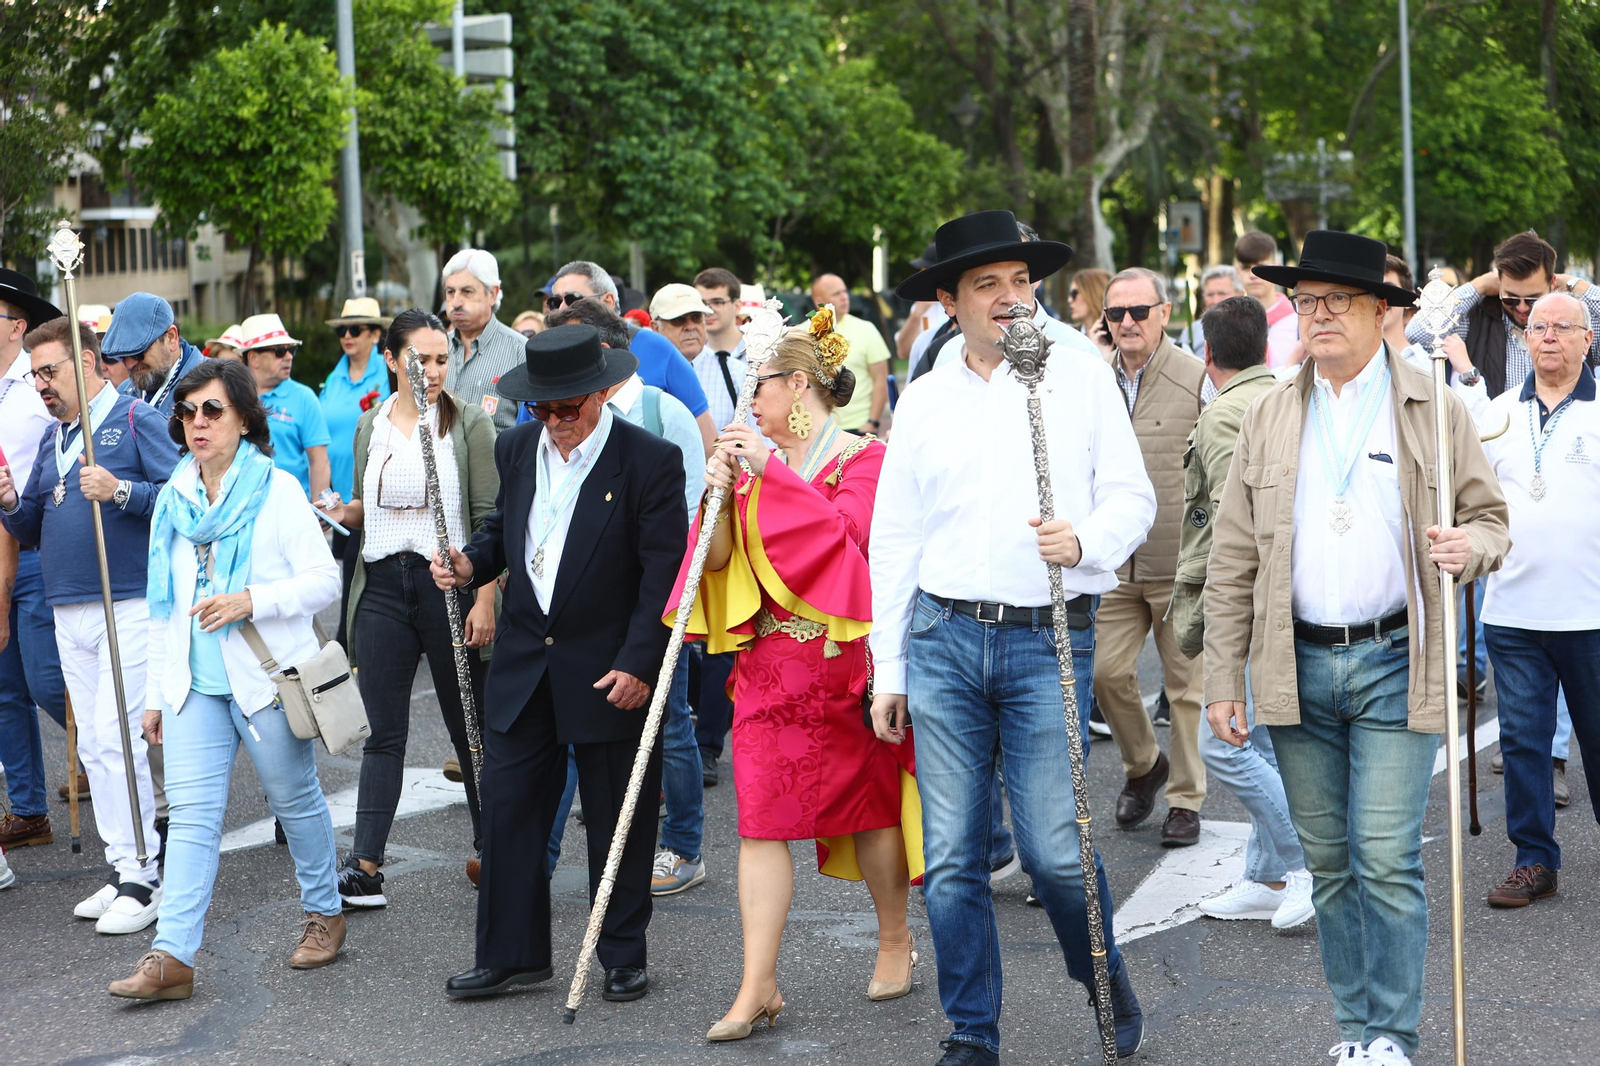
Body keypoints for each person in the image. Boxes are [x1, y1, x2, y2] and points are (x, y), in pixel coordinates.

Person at [1202, 229, 1510, 1066]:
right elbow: (1232, 555)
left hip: (1393, 661)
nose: (1321, 316)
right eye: (1307, 302)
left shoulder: (1432, 403)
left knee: (1384, 858)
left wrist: (1468, 548)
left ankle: (1396, 1038)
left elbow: (1490, 522)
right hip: (1293, 664)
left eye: (1340, 301)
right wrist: (1220, 677)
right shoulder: (1269, 410)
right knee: (1331, 865)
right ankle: (1354, 1031)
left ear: (1383, 312)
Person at [872, 209, 1156, 1065]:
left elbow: (1132, 497)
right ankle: (971, 1033)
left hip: (1049, 642)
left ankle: (1102, 976)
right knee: (954, 861)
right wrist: (888, 666)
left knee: (1057, 857)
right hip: (944, 639)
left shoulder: (1075, 377)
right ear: (949, 302)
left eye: (1019, 283)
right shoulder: (922, 400)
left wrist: (1087, 543)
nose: (1008, 298)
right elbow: (896, 539)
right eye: (987, 285)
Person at [670, 306, 917, 1041]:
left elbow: (846, 543)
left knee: (869, 810)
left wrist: (767, 475)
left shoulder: (864, 459)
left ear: (800, 384)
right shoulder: (751, 462)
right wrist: (716, 494)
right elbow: (713, 565)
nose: (751, 402)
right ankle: (758, 983)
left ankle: (896, 937)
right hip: (771, 667)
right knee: (760, 825)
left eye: (762, 385)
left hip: (847, 664)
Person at [430, 325, 687, 1003]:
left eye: (566, 408)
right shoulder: (517, 448)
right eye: (541, 408)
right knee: (509, 814)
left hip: (610, 668)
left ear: (599, 391)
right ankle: (510, 955)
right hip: (524, 660)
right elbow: (500, 533)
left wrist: (640, 662)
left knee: (615, 820)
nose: (553, 422)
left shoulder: (648, 460)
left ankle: (622, 954)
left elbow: (664, 575)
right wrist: (469, 564)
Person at [107, 357, 345, 1000]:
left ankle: (325, 913)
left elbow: (325, 579)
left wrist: (252, 600)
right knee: (189, 818)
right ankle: (172, 957)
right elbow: (162, 608)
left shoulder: (278, 489)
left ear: (243, 417)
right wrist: (156, 695)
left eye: (212, 410)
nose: (197, 423)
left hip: (265, 679)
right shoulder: (175, 499)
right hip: (193, 686)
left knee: (293, 799)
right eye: (187, 412)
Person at [313, 310, 499, 908]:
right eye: (421, 359)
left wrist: (485, 596)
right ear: (392, 360)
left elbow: (490, 520)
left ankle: (496, 849)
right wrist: (344, 513)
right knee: (382, 733)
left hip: (450, 586)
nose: (435, 370)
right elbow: (375, 507)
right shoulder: (371, 425)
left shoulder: (468, 424)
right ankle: (366, 864)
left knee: (469, 726)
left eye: (443, 359)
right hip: (383, 590)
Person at [0, 316, 179, 932]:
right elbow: (33, 530)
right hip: (67, 604)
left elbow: (182, 497)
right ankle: (121, 862)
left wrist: (121, 490)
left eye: (49, 372)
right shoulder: (55, 439)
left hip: (123, 601)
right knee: (95, 747)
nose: (41, 385)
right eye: (34, 375)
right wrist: (9, 504)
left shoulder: (135, 419)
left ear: (88, 363)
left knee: (114, 736)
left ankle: (144, 876)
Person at [521, 298, 707, 892]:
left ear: (602, 359)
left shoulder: (662, 412)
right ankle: (542, 859)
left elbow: (692, 512)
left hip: (651, 605)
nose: (556, 406)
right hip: (578, 613)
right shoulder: (547, 430)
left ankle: (682, 846)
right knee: (571, 740)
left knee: (670, 723)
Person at [1168, 295, 1313, 928]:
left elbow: (1237, 517)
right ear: (1263, 347)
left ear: (1207, 355)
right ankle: (1267, 874)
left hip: (1247, 599)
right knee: (1265, 749)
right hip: (1272, 594)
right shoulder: (1278, 391)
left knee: (1223, 746)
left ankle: (1309, 863)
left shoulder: (1229, 412)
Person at [1477, 293, 1600, 909]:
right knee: (1524, 743)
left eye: (1563, 327)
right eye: (1539, 326)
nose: (1548, 336)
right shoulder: (1496, 416)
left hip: (1592, 614)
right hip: (1512, 613)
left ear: (1587, 339)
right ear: (1526, 341)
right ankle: (1533, 860)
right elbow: (1473, 504)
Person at [1091, 267, 1208, 846]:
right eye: (1116, 314)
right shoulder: (1092, 379)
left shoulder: (1196, 378)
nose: (1128, 323)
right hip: (1111, 562)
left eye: (1139, 312)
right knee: (1104, 673)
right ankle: (1145, 766)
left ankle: (1186, 800)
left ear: (1165, 313)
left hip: (1177, 561)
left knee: (1186, 686)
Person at [0, 269, 69, 850]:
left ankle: (108, 758)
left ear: (16, 326)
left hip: (35, 555)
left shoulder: (39, 390)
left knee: (49, 680)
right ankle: (28, 810)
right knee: (4, 691)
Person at [1406, 230, 1600, 398]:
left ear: (1552, 283)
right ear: (1498, 283)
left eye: (1533, 299)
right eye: (1511, 299)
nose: (1522, 308)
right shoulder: (1477, 318)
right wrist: (1477, 286)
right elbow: (1418, 331)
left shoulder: (1578, 321)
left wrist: (1577, 285)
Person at [546, 262, 714, 450]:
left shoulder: (657, 347)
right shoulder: (547, 354)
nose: (561, 308)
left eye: (572, 299)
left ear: (608, 301)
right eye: (554, 302)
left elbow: (706, 440)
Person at [318, 298, 392, 648]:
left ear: (376, 335)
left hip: (376, 493)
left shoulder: (387, 374)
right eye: (342, 330)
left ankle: (345, 645)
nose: (346, 336)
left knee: (355, 567)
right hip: (341, 493)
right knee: (352, 567)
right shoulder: (334, 377)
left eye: (356, 329)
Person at [238, 314, 331, 503]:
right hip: (241, 512)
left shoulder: (305, 398)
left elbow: (319, 461)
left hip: (292, 509)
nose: (288, 357)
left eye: (291, 351)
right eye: (279, 351)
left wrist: (319, 511)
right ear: (253, 358)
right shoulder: (233, 397)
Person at [440, 248, 526, 431]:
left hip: (497, 459)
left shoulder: (520, 351)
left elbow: (530, 430)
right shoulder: (436, 348)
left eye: (467, 292)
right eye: (450, 292)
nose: (455, 302)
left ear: (493, 294)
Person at [810, 274, 891, 435]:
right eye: (836, 294)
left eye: (844, 292)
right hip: (818, 429)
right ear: (818, 300)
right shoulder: (803, 333)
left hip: (859, 427)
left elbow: (881, 379)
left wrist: (872, 422)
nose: (844, 297)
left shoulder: (866, 329)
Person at [101, 293, 205, 417]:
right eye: (121, 357)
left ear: (171, 337)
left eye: (138, 353)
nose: (129, 364)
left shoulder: (214, 386)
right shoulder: (123, 393)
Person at [691, 267, 763, 437]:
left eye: (717, 302)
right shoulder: (690, 359)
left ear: (737, 306)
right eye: (702, 304)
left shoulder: (763, 352)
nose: (709, 310)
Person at [1234, 231, 1302, 369]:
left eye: (1260, 267)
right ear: (1237, 271)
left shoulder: (1298, 320)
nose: (1253, 275)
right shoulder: (1231, 320)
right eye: (1246, 268)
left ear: (1275, 269)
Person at [1178, 265, 1247, 357]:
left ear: (1240, 295)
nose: (1215, 300)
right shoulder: (1191, 332)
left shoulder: (1250, 328)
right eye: (1210, 294)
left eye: (1222, 293)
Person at [1066, 267, 1113, 356]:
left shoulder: (1117, 335)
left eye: (1074, 293)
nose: (1070, 300)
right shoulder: (1068, 335)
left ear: (1092, 293)